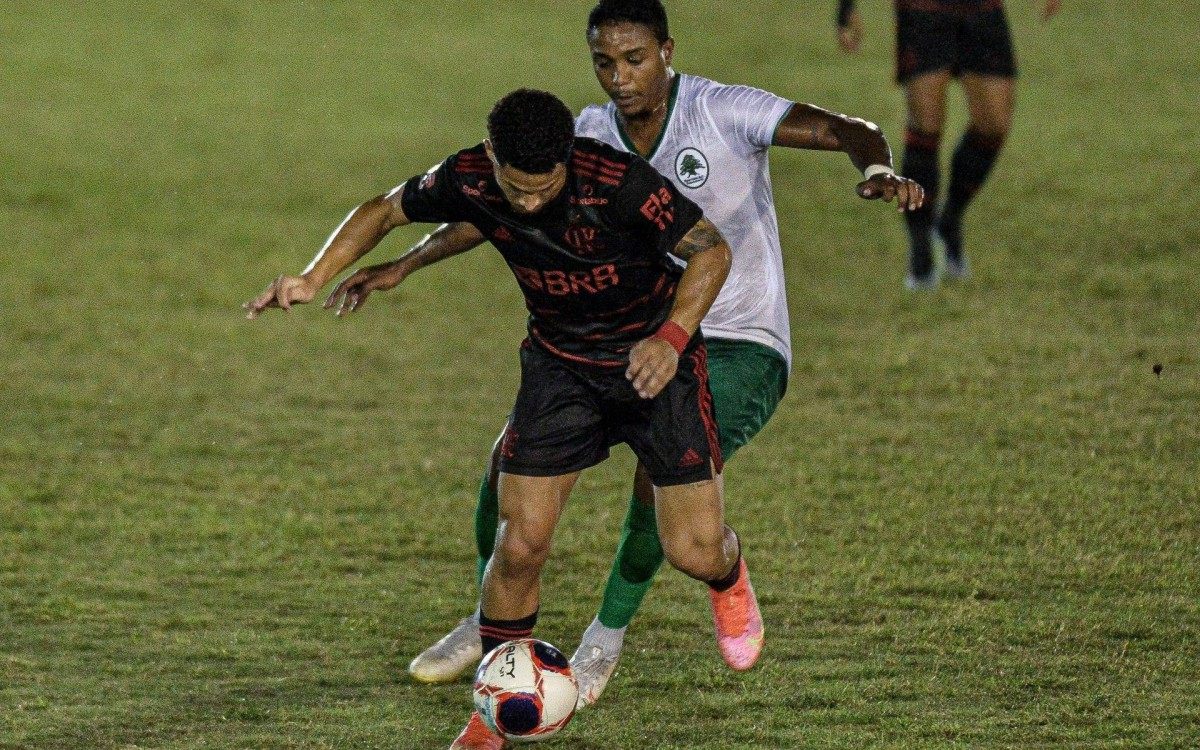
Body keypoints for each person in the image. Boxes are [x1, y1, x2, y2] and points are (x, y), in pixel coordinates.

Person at [328, 0, 925, 709]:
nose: (619, 77)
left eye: (634, 59)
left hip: (735, 336)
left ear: (667, 51)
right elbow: (499, 209)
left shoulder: (722, 111)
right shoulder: (582, 136)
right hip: (621, 333)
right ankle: (487, 620)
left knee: (661, 486)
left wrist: (879, 166)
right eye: (603, 63)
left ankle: (610, 635)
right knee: (507, 463)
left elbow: (848, 128)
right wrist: (409, 262)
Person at [246, 87, 762, 750]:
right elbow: (387, 209)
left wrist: (671, 338)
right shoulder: (471, 175)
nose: (528, 203)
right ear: (493, 156)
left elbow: (711, 250)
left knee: (692, 549)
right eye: (515, 189)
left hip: (655, 364)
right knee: (518, 545)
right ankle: (491, 715)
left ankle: (728, 575)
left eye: (542, 189)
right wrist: (316, 277)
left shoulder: (621, 183)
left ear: (568, 160)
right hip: (562, 368)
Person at [837, 0, 1061, 289]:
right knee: (926, 125)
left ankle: (950, 219)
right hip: (923, 9)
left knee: (993, 124)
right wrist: (846, 8)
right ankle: (921, 248)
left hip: (982, 9)